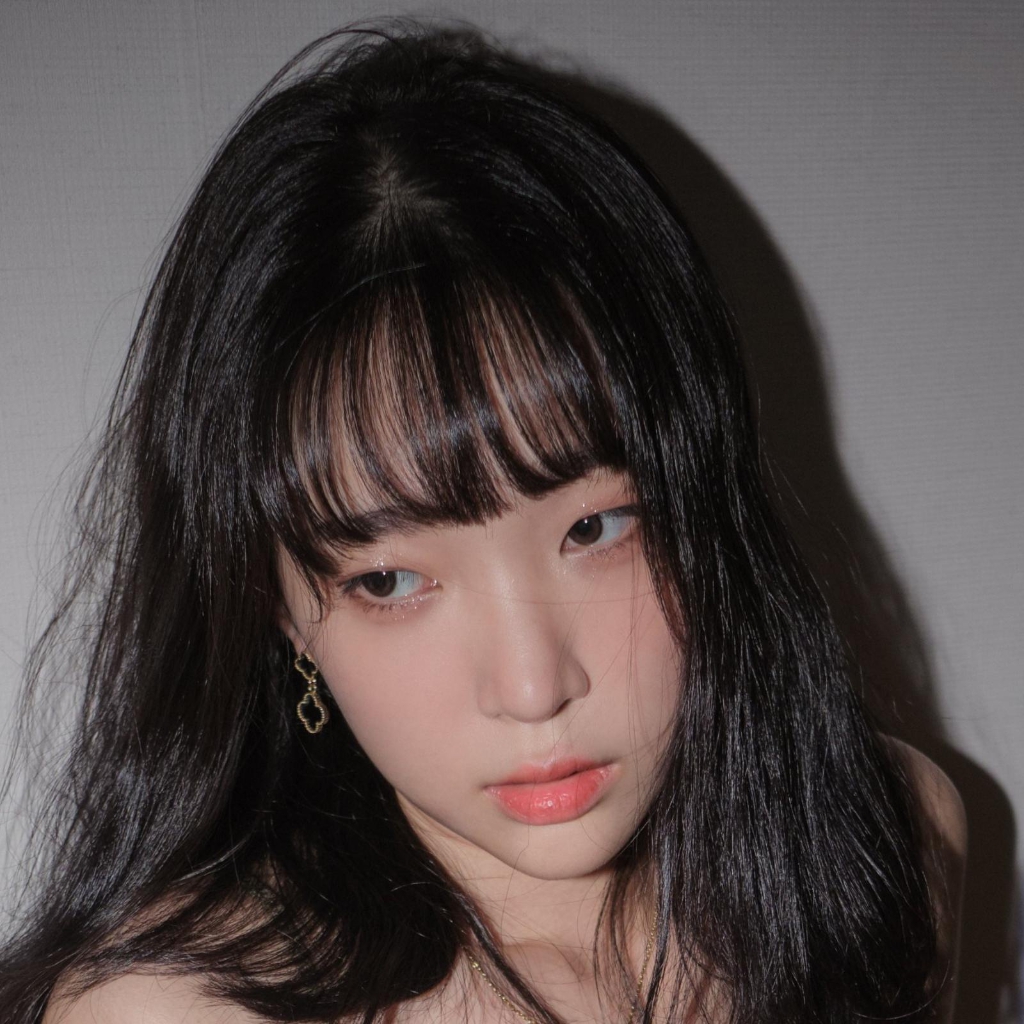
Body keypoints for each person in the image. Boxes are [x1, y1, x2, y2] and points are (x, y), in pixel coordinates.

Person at [0, 21, 965, 1024]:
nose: (534, 687)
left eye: (597, 528)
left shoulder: (887, 849)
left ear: (700, 498)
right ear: (276, 609)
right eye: (389, 581)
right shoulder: (174, 1011)